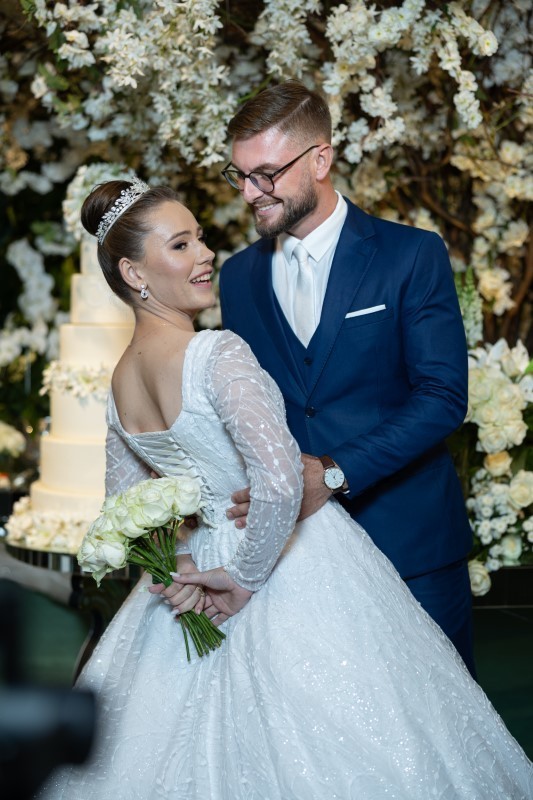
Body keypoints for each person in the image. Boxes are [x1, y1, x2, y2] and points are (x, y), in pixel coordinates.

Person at [41, 179, 533, 800]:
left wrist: (181, 570)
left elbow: (128, 508)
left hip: (196, 575)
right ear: (134, 274)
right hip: (278, 563)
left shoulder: (119, 384)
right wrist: (242, 579)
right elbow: (279, 483)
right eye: (181, 245)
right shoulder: (217, 354)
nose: (206, 254)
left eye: (201, 238)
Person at [219, 80, 477, 676]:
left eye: (267, 174)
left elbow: (443, 397)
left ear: (321, 159)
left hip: (410, 545)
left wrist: (334, 473)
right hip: (296, 556)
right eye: (241, 176)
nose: (251, 193)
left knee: (435, 716)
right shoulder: (237, 278)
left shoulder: (411, 254)